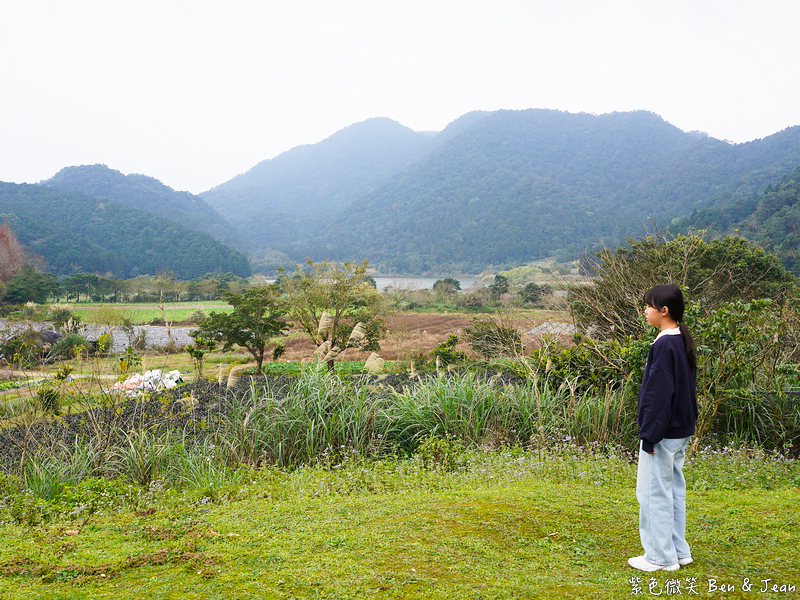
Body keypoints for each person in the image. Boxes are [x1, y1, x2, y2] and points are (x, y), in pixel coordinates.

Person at [628, 284, 698, 572]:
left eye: (648, 305)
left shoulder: (664, 344)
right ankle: (679, 552)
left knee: (652, 493)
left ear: (663, 310)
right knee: (673, 492)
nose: (645, 310)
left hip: (663, 432)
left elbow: (658, 395)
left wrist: (649, 436)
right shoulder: (680, 339)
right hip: (681, 430)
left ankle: (660, 557)